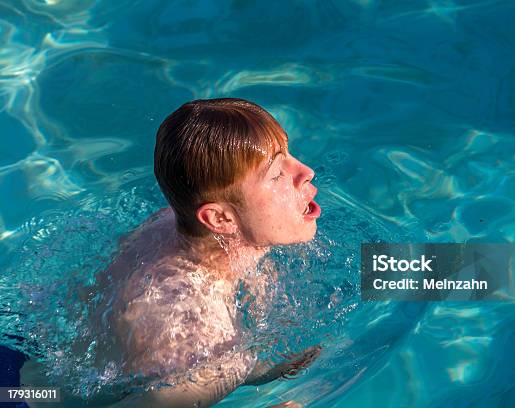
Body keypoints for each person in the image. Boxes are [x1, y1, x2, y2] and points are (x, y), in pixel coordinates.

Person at [21, 98, 321, 408]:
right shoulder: (200, 345)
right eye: (276, 174)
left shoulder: (171, 222)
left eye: (288, 154)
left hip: (24, 368)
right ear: (220, 219)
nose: (307, 171)